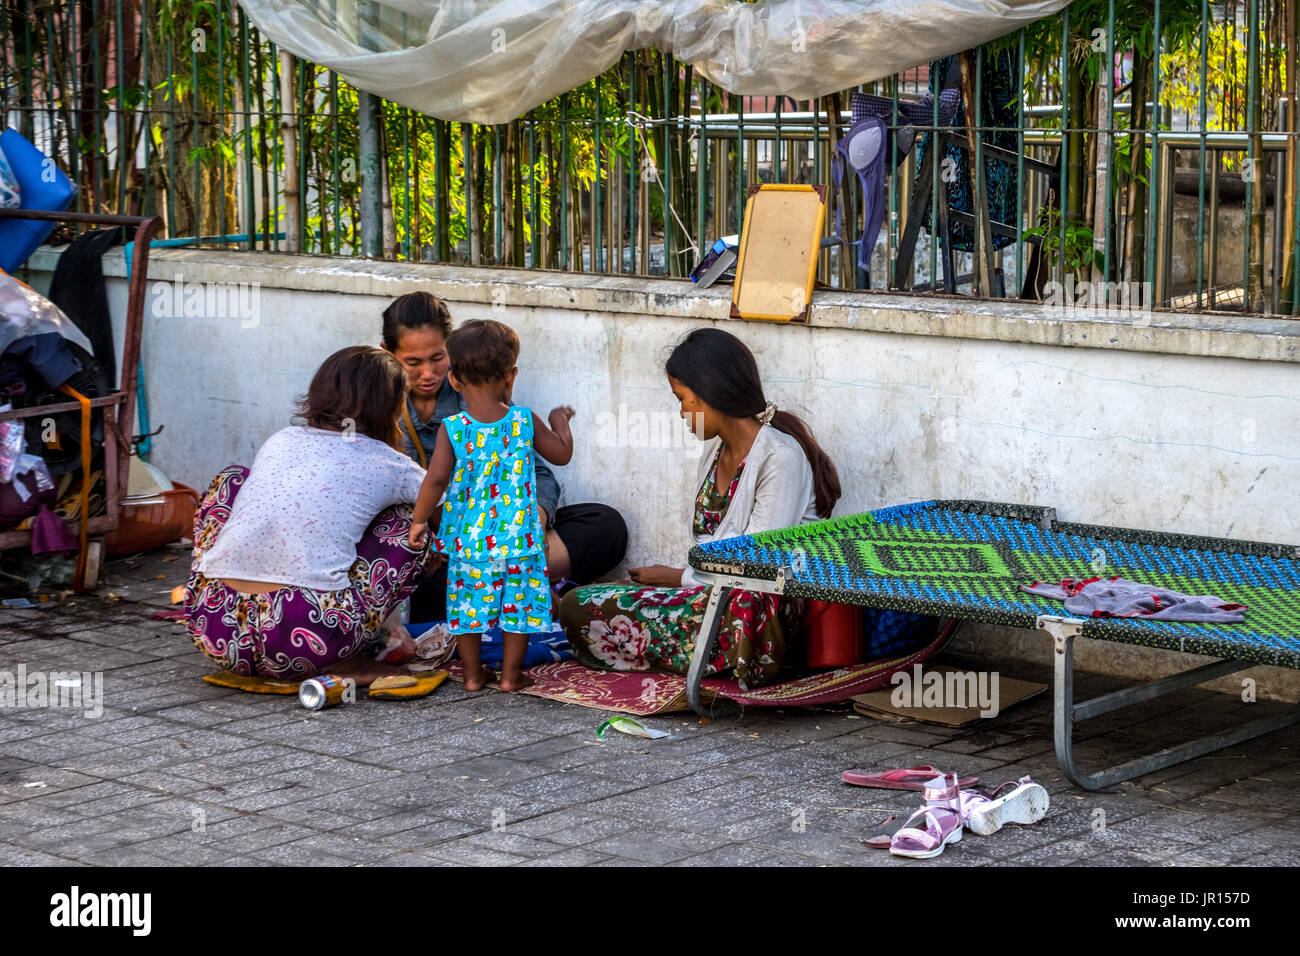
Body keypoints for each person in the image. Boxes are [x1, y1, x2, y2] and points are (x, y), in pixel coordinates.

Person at [560, 327, 841, 689]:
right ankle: (693, 652)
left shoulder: (780, 457)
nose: (681, 412)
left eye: (683, 399)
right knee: (576, 603)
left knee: (741, 609)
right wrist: (678, 584)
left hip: (762, 605)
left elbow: (758, 564)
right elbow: (711, 550)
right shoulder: (713, 450)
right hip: (711, 594)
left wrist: (676, 578)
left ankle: (707, 653)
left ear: (711, 394)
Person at [184, 346, 436, 684]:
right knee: (409, 518)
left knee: (233, 480)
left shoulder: (281, 440)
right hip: (307, 640)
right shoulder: (390, 464)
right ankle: (348, 663)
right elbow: (449, 506)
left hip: (216, 630)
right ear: (390, 407)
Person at [380, 291, 627, 620]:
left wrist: (537, 516)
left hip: (503, 536)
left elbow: (539, 472)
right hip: (438, 551)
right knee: (422, 581)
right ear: (388, 354)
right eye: (413, 362)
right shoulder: (380, 409)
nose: (428, 373)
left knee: (605, 525)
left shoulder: (478, 393)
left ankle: (497, 593)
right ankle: (521, 591)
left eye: (438, 358)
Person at [408, 320, 574, 692]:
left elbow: (434, 482)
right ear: (511, 377)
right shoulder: (524, 419)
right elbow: (561, 455)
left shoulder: (452, 429)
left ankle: (470, 676)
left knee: (468, 611)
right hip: (521, 542)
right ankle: (511, 677)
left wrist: (419, 522)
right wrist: (560, 420)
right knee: (517, 609)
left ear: (454, 380)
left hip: (470, 543)